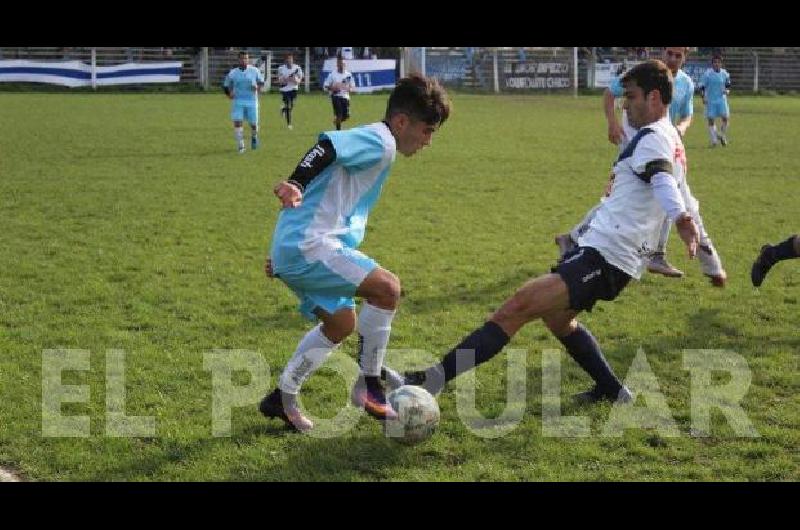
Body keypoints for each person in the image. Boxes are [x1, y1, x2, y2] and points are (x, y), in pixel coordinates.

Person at [400, 61, 707, 403]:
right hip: (603, 249)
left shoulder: (654, 139)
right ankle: (613, 390)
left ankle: (432, 379)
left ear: (653, 97)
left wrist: (681, 219)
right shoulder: (668, 138)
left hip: (610, 256)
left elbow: (665, 180)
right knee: (558, 320)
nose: (623, 104)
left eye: (630, 96)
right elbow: (678, 187)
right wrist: (699, 240)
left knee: (515, 308)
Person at [258, 74, 451, 432]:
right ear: (401, 121)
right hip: (308, 245)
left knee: (341, 324)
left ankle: (282, 398)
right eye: (427, 131)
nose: (427, 141)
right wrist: (296, 181)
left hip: (299, 246)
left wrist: (284, 256)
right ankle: (370, 384)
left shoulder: (381, 145)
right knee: (387, 289)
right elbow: (327, 146)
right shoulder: (381, 141)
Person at [555, 47, 726, 284]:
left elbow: (687, 114)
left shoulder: (685, 83)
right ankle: (583, 240)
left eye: (678, 55)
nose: (673, 59)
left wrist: (682, 129)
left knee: (665, 194)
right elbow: (610, 94)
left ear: (684, 57)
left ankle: (661, 255)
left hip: (665, 143)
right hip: (636, 145)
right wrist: (612, 123)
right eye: (669, 53)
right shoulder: (646, 73)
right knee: (649, 194)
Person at [222, 51, 264, 153]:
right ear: (238, 60)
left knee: (254, 125)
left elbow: (261, 83)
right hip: (238, 101)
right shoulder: (233, 73)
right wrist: (229, 94)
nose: (244, 60)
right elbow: (225, 85)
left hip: (252, 101)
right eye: (242, 59)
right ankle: (241, 146)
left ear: (248, 59)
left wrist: (257, 88)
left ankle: (254, 137)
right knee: (237, 122)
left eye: (246, 58)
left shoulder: (254, 70)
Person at [699, 55, 732, 147]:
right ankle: (714, 140)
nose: (716, 64)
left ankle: (721, 135)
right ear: (712, 63)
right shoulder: (707, 74)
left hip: (722, 100)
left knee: (725, 118)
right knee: (711, 120)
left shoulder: (724, 74)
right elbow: (702, 87)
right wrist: (703, 97)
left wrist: (727, 91)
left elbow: (728, 85)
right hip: (711, 100)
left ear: (721, 63)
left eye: (718, 62)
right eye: (714, 62)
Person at [323, 55, 355, 131]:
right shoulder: (332, 75)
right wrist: (333, 88)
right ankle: (338, 132)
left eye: (343, 64)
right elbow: (325, 86)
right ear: (337, 64)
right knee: (339, 114)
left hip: (345, 97)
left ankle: (337, 121)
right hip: (335, 96)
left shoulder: (348, 75)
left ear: (345, 64)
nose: (341, 65)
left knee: (346, 116)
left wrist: (349, 89)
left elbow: (352, 87)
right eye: (340, 64)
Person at [276, 53, 304, 130]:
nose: (289, 60)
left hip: (294, 89)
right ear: (285, 60)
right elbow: (280, 80)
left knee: (291, 105)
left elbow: (300, 79)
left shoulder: (297, 68)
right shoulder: (281, 68)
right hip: (285, 90)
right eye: (288, 59)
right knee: (288, 105)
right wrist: (285, 80)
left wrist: (295, 80)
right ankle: (289, 124)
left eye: (290, 59)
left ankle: (283, 109)